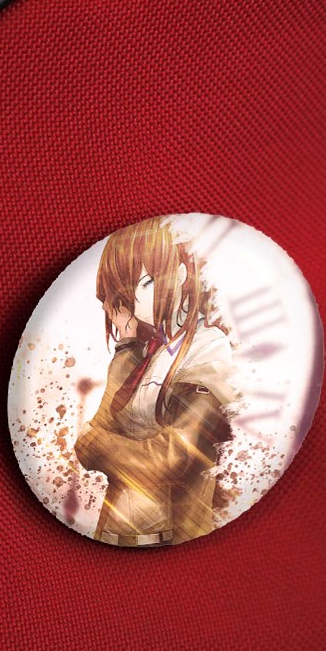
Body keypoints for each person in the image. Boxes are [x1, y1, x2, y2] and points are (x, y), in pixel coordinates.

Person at [74, 217, 238, 546]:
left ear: (181, 274)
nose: (137, 299)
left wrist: (95, 443)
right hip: (117, 532)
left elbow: (169, 460)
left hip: (173, 539)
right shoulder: (145, 350)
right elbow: (104, 425)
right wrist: (127, 346)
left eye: (147, 283)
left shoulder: (208, 350)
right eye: (128, 288)